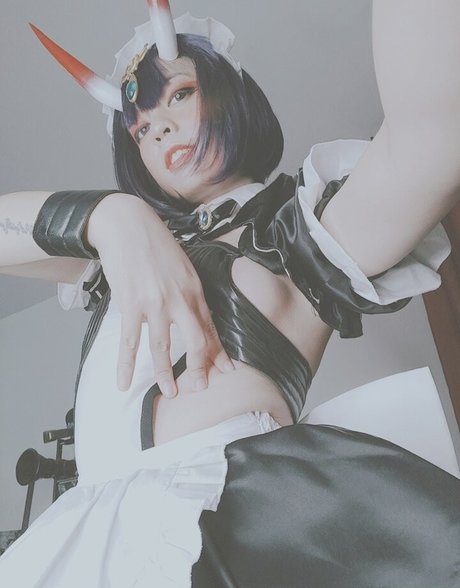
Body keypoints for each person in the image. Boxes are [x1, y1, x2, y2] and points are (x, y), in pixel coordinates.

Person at [0, 1, 459, 586]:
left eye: (179, 95)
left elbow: (431, 142)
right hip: (90, 542)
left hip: (229, 522)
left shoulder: (296, 229)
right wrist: (108, 216)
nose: (159, 128)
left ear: (230, 93)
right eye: (140, 129)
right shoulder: (117, 259)